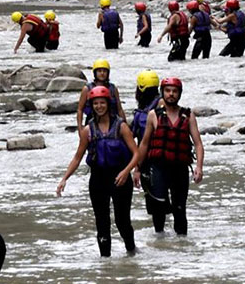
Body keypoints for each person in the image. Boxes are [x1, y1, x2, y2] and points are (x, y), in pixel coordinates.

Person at [55, 85, 139, 257]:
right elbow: (77, 157)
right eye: (95, 104)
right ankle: (105, 264)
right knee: (102, 223)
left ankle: (131, 253)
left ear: (108, 104)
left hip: (120, 178)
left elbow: (137, 153)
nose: (99, 106)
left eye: (102, 103)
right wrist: (64, 179)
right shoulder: (88, 130)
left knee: (122, 221)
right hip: (98, 180)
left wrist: (127, 172)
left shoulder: (121, 127)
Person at [121, 75, 203, 236]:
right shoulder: (154, 115)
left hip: (180, 168)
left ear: (179, 94)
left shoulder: (188, 115)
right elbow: (144, 144)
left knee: (180, 208)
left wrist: (199, 167)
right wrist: (137, 169)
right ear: (162, 93)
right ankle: (159, 242)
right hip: (158, 167)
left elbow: (198, 144)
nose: (171, 94)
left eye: (174, 91)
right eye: (167, 91)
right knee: (158, 206)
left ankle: (182, 244)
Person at [129, 70, 163, 230]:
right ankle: (160, 232)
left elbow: (141, 141)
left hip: (154, 159)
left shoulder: (158, 106)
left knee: (156, 199)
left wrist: (136, 167)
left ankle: (160, 230)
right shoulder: (141, 111)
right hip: (147, 160)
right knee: (153, 199)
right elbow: (132, 135)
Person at [76, 59, 123, 129]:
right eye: (99, 71)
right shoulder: (87, 89)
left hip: (111, 124)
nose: (102, 73)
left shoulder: (113, 88)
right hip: (92, 124)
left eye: (104, 71)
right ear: (95, 73)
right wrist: (80, 128)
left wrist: (124, 124)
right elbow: (80, 110)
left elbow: (119, 109)